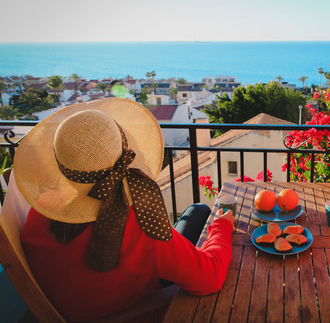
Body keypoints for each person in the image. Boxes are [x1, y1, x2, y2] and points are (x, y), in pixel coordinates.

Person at [13, 98, 234, 322]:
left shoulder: (41, 210)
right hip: (139, 311)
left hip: (77, 309)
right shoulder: (138, 226)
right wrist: (222, 226)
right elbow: (210, 277)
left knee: (196, 211)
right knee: (201, 212)